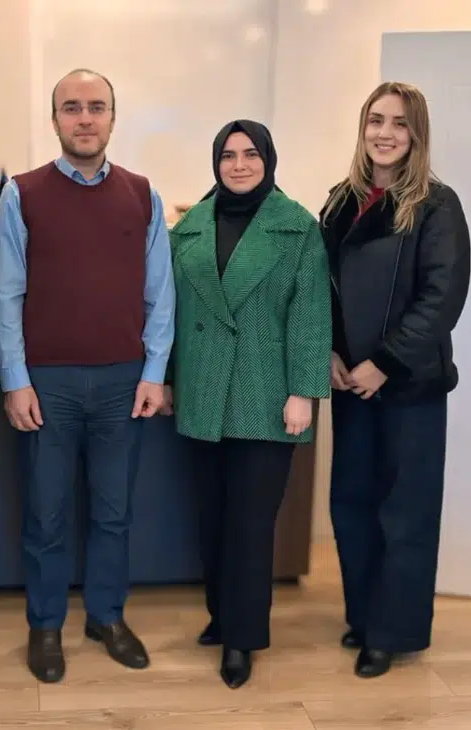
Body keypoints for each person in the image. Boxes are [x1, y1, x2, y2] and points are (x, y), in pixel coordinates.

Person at [0, 68, 176, 683]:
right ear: (55, 120)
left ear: (113, 118)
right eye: (72, 107)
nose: (85, 118)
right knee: (45, 515)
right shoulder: (21, 195)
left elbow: (160, 294)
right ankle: (45, 626)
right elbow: (6, 295)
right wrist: (15, 379)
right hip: (48, 386)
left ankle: (106, 616)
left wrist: (154, 371)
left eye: (97, 106)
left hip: (124, 381)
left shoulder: (142, 194)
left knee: (113, 513)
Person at [160, 120, 330, 689]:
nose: (238, 165)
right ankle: (220, 616)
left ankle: (243, 637)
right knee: (211, 518)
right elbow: (170, 313)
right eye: (228, 155)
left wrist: (304, 392)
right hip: (203, 391)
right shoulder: (189, 227)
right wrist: (166, 380)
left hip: (267, 395)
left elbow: (310, 315)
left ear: (268, 159)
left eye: (250, 154)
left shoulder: (297, 227)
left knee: (251, 525)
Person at [318, 81, 471, 679]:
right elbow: (322, 287)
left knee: (404, 513)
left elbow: (441, 298)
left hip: (408, 386)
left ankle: (391, 633)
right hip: (350, 385)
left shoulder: (437, 205)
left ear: (416, 134)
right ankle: (363, 617)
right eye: (375, 120)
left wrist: (383, 362)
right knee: (352, 505)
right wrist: (329, 353)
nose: (385, 133)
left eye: (399, 123)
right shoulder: (340, 201)